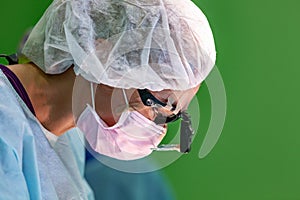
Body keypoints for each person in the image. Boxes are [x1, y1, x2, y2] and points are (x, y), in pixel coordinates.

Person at [0, 0, 216, 199]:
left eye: (171, 116)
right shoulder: (5, 122)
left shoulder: (68, 139)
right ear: (104, 55)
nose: (157, 129)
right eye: (156, 105)